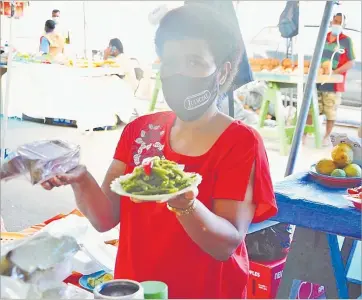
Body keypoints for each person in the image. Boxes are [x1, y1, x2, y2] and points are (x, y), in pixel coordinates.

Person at [42, 4, 277, 299]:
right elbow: (104, 219)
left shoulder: (241, 142)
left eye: (193, 62)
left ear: (222, 72)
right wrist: (80, 178)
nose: (179, 73)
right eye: (171, 61)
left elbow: (226, 244)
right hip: (137, 289)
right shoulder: (140, 132)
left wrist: (185, 203)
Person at [306, 13, 355, 146]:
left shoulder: (346, 41)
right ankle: (304, 134)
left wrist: (334, 72)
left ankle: (326, 136)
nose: (336, 24)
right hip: (318, 80)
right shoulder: (324, 37)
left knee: (330, 111)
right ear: (330, 21)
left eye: (339, 22)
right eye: (335, 21)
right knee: (311, 108)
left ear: (343, 25)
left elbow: (351, 62)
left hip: (334, 83)